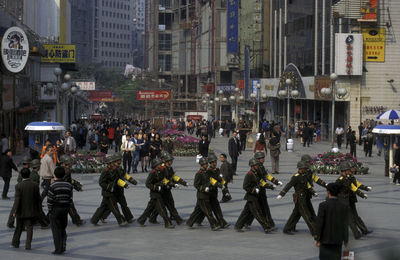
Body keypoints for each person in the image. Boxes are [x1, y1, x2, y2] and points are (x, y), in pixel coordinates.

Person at [277, 161, 317, 236]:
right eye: (304, 168)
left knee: (295, 215)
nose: (305, 169)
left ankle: (287, 228)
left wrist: (313, 192)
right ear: (300, 169)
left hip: (304, 196)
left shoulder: (304, 175)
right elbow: (288, 185)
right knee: (306, 215)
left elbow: (307, 185)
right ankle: (315, 231)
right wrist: (282, 194)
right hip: (300, 198)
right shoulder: (296, 177)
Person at [235, 159, 272, 233]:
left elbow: (260, 182)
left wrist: (270, 186)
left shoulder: (256, 173)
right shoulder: (249, 174)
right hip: (251, 197)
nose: (258, 166)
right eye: (256, 165)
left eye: (258, 165)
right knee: (258, 213)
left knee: (246, 212)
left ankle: (238, 226)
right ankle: (266, 227)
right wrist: (254, 190)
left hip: (256, 196)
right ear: (252, 166)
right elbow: (245, 186)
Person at [315, 183, 349, 260]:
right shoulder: (344, 206)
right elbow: (345, 225)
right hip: (338, 240)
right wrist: (346, 240)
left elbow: (320, 223)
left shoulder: (323, 205)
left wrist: (317, 237)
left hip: (325, 239)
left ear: (328, 192)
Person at [137, 158, 175, 228]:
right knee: (162, 209)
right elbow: (148, 184)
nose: (161, 165)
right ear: (155, 166)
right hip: (155, 194)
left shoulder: (161, 172)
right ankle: (168, 223)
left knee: (149, 209)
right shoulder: (152, 173)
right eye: (159, 164)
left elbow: (164, 180)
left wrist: (171, 184)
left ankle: (141, 220)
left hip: (160, 193)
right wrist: (156, 187)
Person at [335, 162, 368, 239]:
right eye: (348, 169)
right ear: (344, 170)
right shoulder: (340, 180)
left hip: (349, 199)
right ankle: (356, 234)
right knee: (349, 219)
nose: (349, 170)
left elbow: (354, 187)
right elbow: (334, 189)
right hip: (343, 201)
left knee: (353, 217)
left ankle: (362, 231)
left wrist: (363, 193)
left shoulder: (348, 178)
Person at [186, 157, 220, 231]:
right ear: (202, 164)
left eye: (207, 164)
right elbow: (196, 185)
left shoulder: (207, 172)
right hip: (202, 195)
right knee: (208, 212)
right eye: (205, 164)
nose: (207, 165)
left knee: (197, 211)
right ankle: (214, 225)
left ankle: (189, 222)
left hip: (206, 195)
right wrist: (204, 188)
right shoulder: (199, 174)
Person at [11, 168, 41, 250]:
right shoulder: (35, 185)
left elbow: (17, 199)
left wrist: (14, 211)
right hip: (31, 210)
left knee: (19, 227)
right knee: (29, 227)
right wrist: (38, 209)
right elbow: (38, 198)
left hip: (20, 210)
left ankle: (16, 243)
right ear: (29, 175)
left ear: (21, 175)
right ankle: (28, 245)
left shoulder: (18, 186)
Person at [47, 167, 73, 255]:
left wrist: (50, 210)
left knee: (56, 230)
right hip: (65, 209)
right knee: (62, 228)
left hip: (56, 209)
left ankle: (58, 249)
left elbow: (50, 200)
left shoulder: (53, 185)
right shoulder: (69, 185)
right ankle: (63, 246)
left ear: (55, 175)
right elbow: (70, 198)